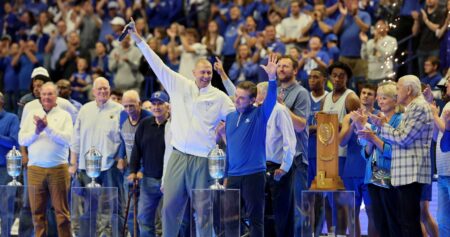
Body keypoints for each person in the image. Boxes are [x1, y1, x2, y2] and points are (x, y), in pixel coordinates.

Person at [128, 18, 235, 236]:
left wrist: (224, 129)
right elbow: (157, 63)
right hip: (178, 156)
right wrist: (139, 40)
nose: (205, 76)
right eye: (202, 72)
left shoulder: (220, 97)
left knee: (204, 212)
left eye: (209, 73)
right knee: (169, 209)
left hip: (203, 160)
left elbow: (238, 110)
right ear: (193, 72)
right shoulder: (178, 84)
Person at [368, 75, 434, 236]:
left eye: (398, 88)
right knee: (406, 223)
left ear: (409, 89)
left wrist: (382, 125)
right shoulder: (413, 107)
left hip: (411, 173)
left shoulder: (418, 106)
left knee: (408, 224)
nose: (397, 93)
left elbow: (402, 138)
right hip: (405, 173)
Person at [224, 54, 278, 237]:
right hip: (233, 176)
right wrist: (225, 175)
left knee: (255, 220)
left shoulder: (259, 115)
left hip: (254, 174)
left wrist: (272, 78)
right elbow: (229, 150)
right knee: (229, 220)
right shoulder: (230, 118)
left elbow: (271, 99)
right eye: (236, 96)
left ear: (253, 100)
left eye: (242, 98)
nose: (237, 101)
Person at [69, 77, 125, 236]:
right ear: (93, 91)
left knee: (115, 206)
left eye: (105, 88)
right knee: (89, 207)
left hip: (110, 166)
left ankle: (116, 235)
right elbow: (76, 138)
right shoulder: (85, 110)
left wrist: (120, 158)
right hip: (86, 167)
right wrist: (73, 163)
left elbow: (124, 138)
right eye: (99, 89)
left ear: (110, 89)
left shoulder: (119, 110)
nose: (102, 91)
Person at [18, 82, 73, 237]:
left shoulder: (64, 115)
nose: (47, 97)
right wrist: (37, 131)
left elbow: (67, 139)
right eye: (44, 94)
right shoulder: (30, 114)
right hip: (35, 169)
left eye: (50, 94)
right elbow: (22, 140)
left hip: (58, 169)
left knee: (62, 213)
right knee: (37, 213)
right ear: (40, 96)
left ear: (56, 96)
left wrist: (47, 128)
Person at [352, 81, 403, 237]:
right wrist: (362, 128)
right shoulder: (376, 120)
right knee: (379, 221)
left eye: (384, 98)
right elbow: (365, 153)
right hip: (373, 177)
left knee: (393, 221)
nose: (380, 101)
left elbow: (395, 151)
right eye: (379, 98)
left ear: (395, 100)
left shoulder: (400, 120)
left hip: (391, 176)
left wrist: (373, 139)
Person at [127, 91, 171, 237]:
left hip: (170, 181)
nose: (156, 107)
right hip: (148, 180)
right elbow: (136, 149)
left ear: (168, 106)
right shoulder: (145, 124)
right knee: (144, 219)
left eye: (160, 104)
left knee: (170, 220)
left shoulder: (174, 125)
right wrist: (133, 170)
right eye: (154, 104)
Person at [339, 84, 378, 237]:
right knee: (351, 211)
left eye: (369, 93)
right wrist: (354, 123)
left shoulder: (378, 116)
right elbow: (341, 142)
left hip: (372, 171)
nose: (365, 96)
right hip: (351, 170)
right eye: (363, 92)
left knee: (372, 212)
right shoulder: (350, 116)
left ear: (375, 98)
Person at [118, 89, 152, 236]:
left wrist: (142, 170)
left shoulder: (148, 118)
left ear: (139, 104)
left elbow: (152, 149)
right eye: (125, 106)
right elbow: (123, 139)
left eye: (131, 106)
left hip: (148, 171)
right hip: (130, 170)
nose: (128, 110)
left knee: (145, 213)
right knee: (130, 210)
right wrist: (121, 157)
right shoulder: (122, 116)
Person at [360, 19, 398, 85]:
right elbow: (364, 57)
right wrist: (364, 43)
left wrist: (377, 43)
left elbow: (388, 54)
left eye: (381, 24)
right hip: (371, 76)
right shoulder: (370, 42)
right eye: (377, 25)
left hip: (385, 75)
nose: (378, 26)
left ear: (387, 28)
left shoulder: (391, 40)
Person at [0, 92, 19, 184]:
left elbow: (14, 143)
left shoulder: (12, 118)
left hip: (5, 169)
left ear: (1, 102)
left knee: (5, 199)